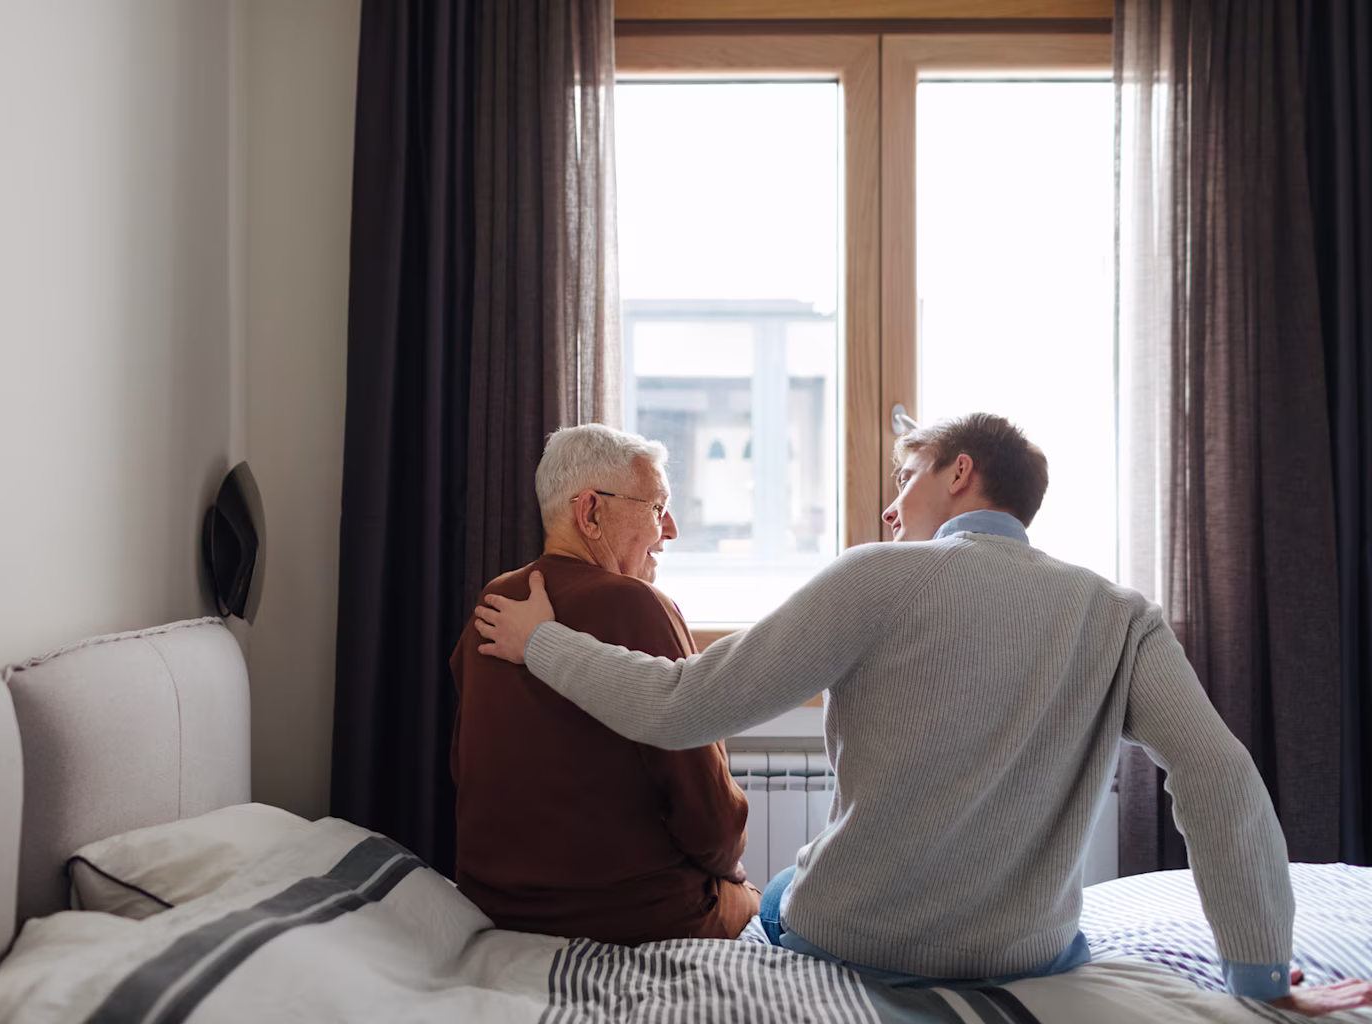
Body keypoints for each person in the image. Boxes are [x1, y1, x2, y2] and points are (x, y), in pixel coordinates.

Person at [472, 412, 1372, 1015]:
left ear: (961, 473)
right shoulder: (1118, 614)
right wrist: (1257, 972)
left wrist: (541, 644)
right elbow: (1219, 776)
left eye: (907, 481)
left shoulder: (874, 576)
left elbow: (679, 706)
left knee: (779, 894)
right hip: (1027, 952)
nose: (890, 507)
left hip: (854, 936)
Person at [448, 423, 759, 945]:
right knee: (774, 902)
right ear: (591, 512)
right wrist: (733, 873)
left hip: (500, 907)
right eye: (657, 508)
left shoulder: (495, 602)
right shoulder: (640, 605)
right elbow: (709, 818)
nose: (672, 530)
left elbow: (466, 767)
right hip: (637, 916)